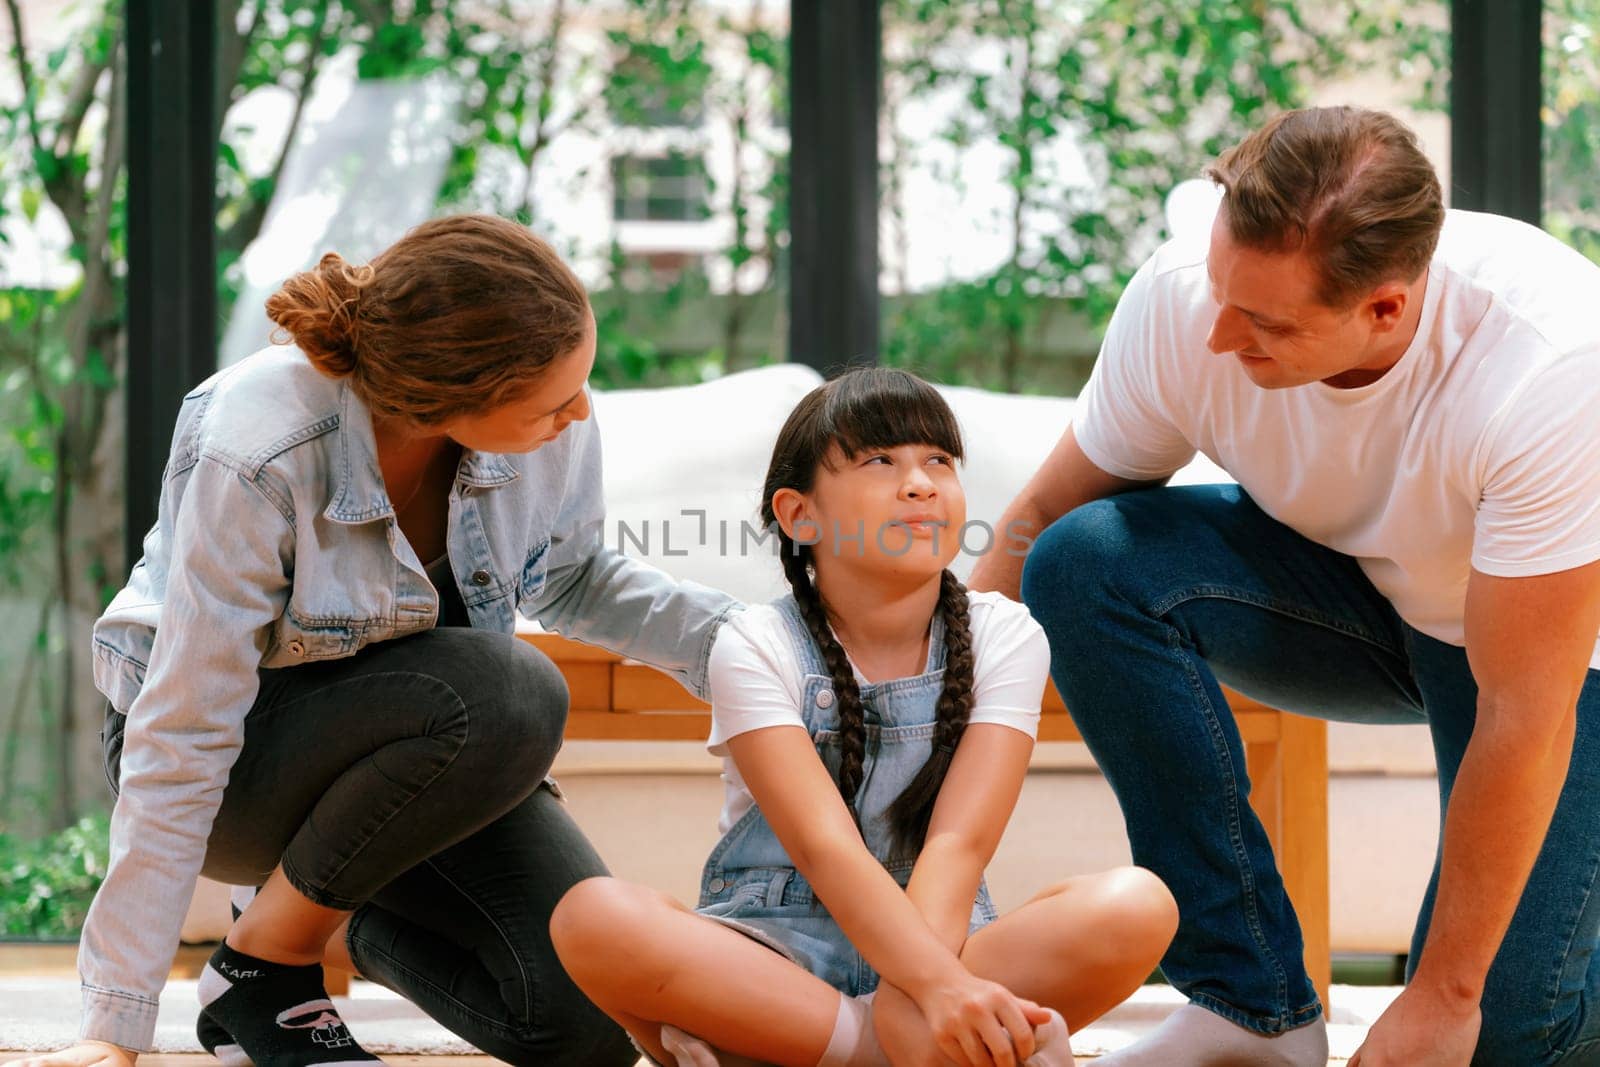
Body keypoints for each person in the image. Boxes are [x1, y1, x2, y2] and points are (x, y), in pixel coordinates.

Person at [24, 214, 738, 1067]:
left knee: (582, 1025)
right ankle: (268, 962)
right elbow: (187, 724)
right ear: (449, 393)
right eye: (555, 398)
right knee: (514, 689)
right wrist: (115, 1021)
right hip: (246, 768)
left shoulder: (554, 432)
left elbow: (575, 577)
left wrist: (751, 644)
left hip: (415, 768)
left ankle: (318, 917)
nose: (580, 412)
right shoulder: (259, 443)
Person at [970, 106, 1600, 1067]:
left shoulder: (1549, 366)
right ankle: (1249, 1005)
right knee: (1085, 559)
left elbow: (1526, 712)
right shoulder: (1189, 300)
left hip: (1556, 657)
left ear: (1384, 307)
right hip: (1368, 603)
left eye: (1263, 321)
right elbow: (1043, 516)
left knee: (1499, 1031)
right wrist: (927, 700)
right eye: (1222, 293)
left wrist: (1442, 992)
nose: (1219, 335)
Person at [549, 367, 1178, 1067]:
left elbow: (958, 846)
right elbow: (827, 851)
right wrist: (938, 1003)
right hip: (772, 957)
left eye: (937, 459)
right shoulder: (754, 643)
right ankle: (907, 1052)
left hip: (939, 939)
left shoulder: (1008, 633)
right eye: (881, 460)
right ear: (799, 515)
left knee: (1139, 903)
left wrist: (928, 985)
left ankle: (812, 1051)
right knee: (591, 916)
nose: (920, 482)